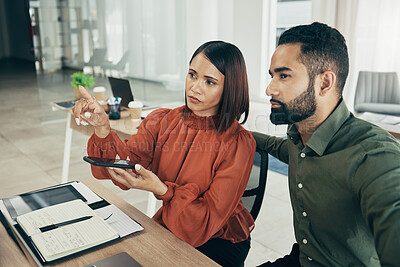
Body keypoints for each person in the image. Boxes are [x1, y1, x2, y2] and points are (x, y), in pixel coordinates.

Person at [73, 40, 256, 266]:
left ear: (230, 88)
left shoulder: (238, 143)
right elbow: (126, 164)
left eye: (210, 82)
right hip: (175, 221)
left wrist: (161, 189)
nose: (195, 87)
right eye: (192, 75)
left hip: (218, 238)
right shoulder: (163, 120)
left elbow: (207, 220)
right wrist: (102, 128)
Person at [253, 22, 400, 266]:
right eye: (272, 76)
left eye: (284, 75)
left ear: (324, 83)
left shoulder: (374, 155)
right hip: (303, 259)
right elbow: (280, 148)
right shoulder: (299, 136)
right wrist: (240, 134)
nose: (270, 88)